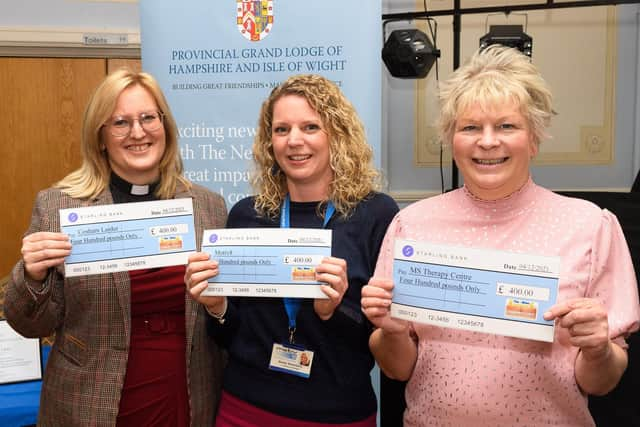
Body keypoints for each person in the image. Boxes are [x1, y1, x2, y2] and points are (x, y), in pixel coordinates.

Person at [362, 45, 640, 426]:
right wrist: (390, 331)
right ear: (451, 139)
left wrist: (597, 351)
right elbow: (397, 370)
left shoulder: (590, 227)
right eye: (470, 127)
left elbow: (602, 381)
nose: (488, 141)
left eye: (507, 126)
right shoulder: (412, 225)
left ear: (534, 137)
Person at [3, 69, 227, 426]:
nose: (137, 133)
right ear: (101, 137)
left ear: (165, 128)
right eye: (120, 122)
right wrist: (31, 274)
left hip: (188, 393)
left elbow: (225, 313)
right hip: (92, 399)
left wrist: (221, 308)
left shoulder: (208, 207)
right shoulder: (59, 207)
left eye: (148, 118)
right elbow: (29, 324)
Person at [185, 74, 399, 426]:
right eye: (281, 129)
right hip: (246, 407)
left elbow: (382, 339)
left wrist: (335, 311)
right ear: (269, 142)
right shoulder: (247, 215)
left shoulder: (375, 215)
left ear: (337, 134)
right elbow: (229, 335)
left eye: (310, 126)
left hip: (337, 412)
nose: (294, 141)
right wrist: (218, 306)